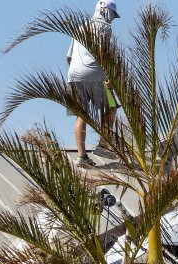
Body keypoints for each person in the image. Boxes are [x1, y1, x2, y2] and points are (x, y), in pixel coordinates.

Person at [67, 1, 119, 167]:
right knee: (111, 106)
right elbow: (105, 54)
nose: (112, 19)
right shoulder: (105, 27)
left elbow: (68, 57)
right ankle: (103, 144)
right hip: (95, 73)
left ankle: (82, 157)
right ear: (103, 10)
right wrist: (109, 76)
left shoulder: (80, 27)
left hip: (74, 74)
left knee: (81, 114)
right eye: (111, 14)